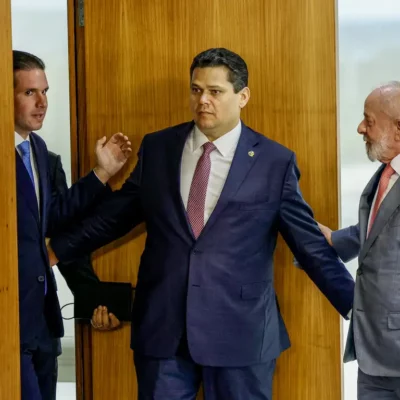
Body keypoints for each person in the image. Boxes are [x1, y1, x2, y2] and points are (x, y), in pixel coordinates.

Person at [48, 48, 354, 400]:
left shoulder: (274, 161)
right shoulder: (160, 147)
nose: (203, 100)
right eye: (196, 90)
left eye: (215, 91)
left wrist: (357, 308)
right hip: (164, 332)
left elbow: (310, 245)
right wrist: (56, 251)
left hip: (241, 333)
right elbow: (115, 217)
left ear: (242, 96)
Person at [13, 50, 130, 400]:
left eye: (45, 91)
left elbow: (54, 217)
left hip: (43, 322)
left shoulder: (39, 151)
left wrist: (102, 173)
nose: (42, 102)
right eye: (30, 92)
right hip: (11, 322)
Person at [315, 82, 400, 399]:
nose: (360, 127)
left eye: (369, 120)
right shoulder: (386, 171)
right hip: (374, 349)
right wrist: (334, 240)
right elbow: (380, 228)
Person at [47, 150, 121, 399]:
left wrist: (97, 303)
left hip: (39, 326)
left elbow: (61, 233)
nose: (42, 107)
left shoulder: (48, 161)